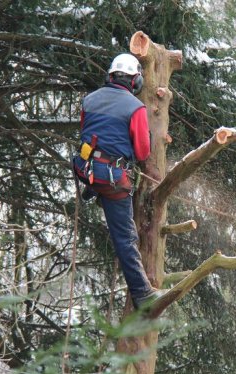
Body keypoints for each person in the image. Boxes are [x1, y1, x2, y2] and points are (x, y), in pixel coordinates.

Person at [72, 53, 164, 309]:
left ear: (110, 75)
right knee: (126, 238)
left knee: (98, 165)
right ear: (135, 81)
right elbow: (143, 152)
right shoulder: (135, 108)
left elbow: (87, 133)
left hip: (86, 168)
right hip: (112, 180)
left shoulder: (89, 100)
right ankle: (143, 294)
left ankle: (93, 187)